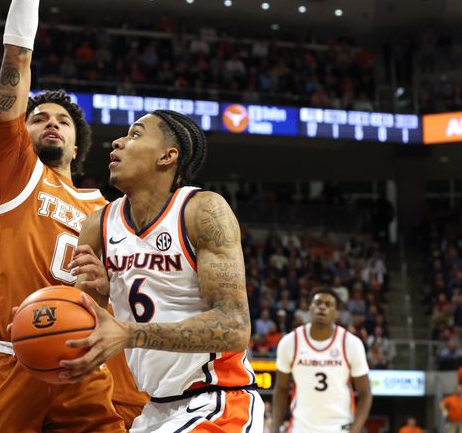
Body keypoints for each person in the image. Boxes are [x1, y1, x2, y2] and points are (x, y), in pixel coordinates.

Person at [0, 0, 138, 432]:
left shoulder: (106, 210)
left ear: (80, 140)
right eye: (39, 118)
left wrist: (106, 283)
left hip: (83, 353)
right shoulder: (12, 170)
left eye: (63, 119)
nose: (51, 124)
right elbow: (17, 59)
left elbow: (127, 290)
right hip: (9, 353)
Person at [62, 110, 262, 432]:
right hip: (154, 409)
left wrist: (129, 334)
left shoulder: (202, 210)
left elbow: (234, 326)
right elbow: (82, 331)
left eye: (136, 134)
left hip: (219, 402)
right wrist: (98, 296)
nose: (118, 141)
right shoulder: (98, 224)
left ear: (168, 156)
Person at [271, 288, 373, 433]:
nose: (322, 307)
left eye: (328, 304)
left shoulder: (351, 344)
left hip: (340, 427)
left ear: (336, 312)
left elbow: (365, 393)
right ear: (309, 308)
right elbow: (281, 389)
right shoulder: (290, 342)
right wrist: (274, 428)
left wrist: (355, 430)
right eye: (318, 303)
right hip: (300, 428)